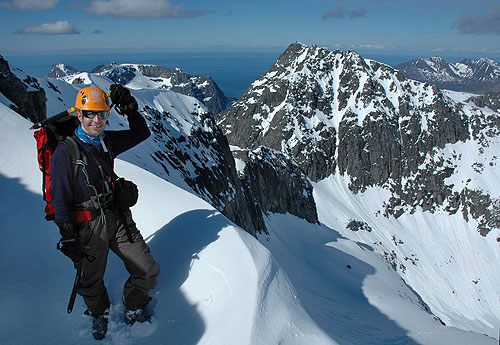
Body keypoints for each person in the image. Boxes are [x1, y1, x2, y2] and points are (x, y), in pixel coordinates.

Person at [51, 85, 160, 340]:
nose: (97, 120)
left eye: (102, 114)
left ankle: (132, 303)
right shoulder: (65, 152)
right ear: (79, 115)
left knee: (147, 269)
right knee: (90, 280)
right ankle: (99, 312)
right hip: (88, 224)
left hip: (116, 217)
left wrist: (130, 107)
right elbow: (60, 198)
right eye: (90, 114)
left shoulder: (106, 142)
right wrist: (67, 234)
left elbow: (141, 132)